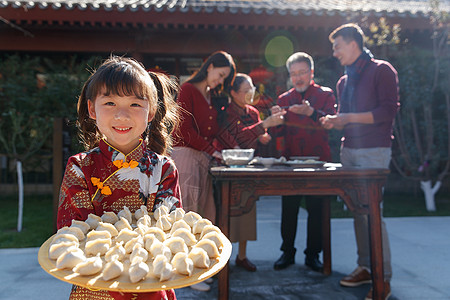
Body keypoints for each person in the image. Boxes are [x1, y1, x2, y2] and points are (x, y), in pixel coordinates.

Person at [56, 56, 181, 300]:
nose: (122, 115)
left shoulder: (164, 169)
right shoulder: (79, 168)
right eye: (110, 103)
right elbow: (72, 236)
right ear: (92, 109)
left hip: (149, 282)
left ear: (151, 111)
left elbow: (170, 233)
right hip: (93, 285)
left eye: (135, 104)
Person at [321, 23, 399, 300]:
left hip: (374, 150)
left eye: (337, 45)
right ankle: (366, 266)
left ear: (353, 43)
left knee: (373, 213)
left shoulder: (382, 69)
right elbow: (345, 117)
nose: (334, 52)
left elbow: (388, 111)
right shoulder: (344, 80)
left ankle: (383, 278)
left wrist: (347, 118)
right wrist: (334, 122)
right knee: (357, 211)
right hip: (349, 151)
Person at [171, 51, 237, 291]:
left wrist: (226, 149)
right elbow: (183, 130)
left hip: (203, 158)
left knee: (205, 214)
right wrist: (212, 149)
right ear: (208, 67)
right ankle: (184, 271)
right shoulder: (187, 89)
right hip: (186, 156)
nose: (220, 81)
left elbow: (213, 131)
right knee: (187, 214)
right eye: (220, 75)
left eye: (224, 78)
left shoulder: (209, 95)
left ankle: (197, 267)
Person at [270, 52, 336, 273]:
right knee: (289, 209)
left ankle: (313, 255)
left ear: (311, 72)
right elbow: (278, 132)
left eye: (302, 73)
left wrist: (312, 112)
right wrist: (274, 120)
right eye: (294, 74)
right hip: (290, 162)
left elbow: (332, 124)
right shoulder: (284, 99)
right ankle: (287, 252)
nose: (298, 78)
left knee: (316, 209)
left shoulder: (326, 95)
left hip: (318, 162)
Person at [226, 73, 286, 272]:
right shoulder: (226, 112)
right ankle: (221, 257)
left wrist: (263, 136)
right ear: (233, 93)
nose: (250, 93)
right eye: (245, 90)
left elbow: (257, 132)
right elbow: (239, 137)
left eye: (252, 89)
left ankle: (242, 256)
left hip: (250, 168)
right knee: (227, 214)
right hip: (229, 170)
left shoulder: (252, 112)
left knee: (247, 211)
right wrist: (264, 126)